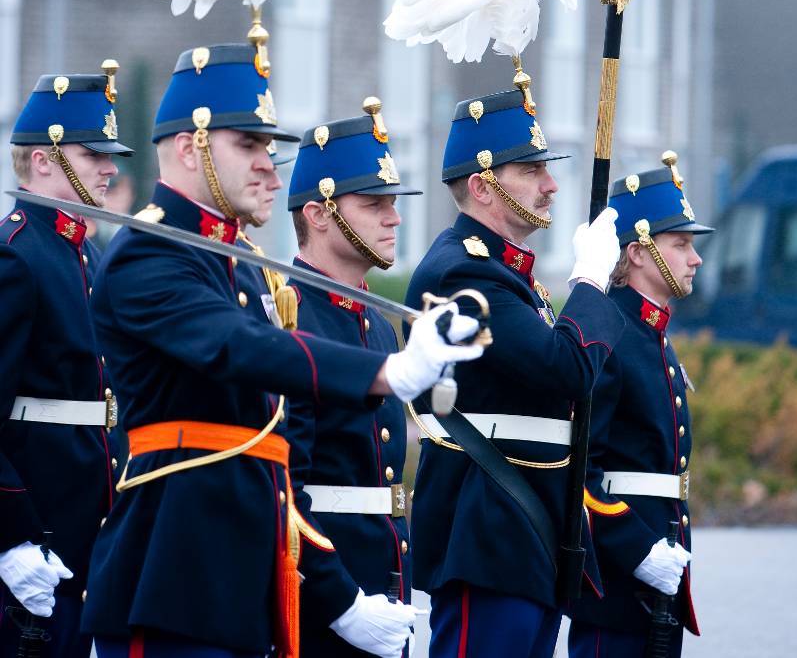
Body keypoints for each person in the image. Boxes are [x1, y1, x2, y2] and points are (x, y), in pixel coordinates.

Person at [80, 44, 483, 658]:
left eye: (268, 149)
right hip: (173, 580)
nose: (271, 167)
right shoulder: (149, 251)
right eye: (249, 146)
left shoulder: (237, 268)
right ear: (190, 148)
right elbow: (238, 347)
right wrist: (390, 371)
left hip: (242, 591)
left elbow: (275, 460)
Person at [405, 84, 626, 658]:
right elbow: (566, 370)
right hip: (490, 531)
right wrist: (591, 282)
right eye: (531, 171)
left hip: (527, 531)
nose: (551, 185)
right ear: (482, 186)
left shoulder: (513, 279)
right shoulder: (464, 275)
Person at [0, 64, 132, 658]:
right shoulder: (17, 255)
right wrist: (11, 539)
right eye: (94, 155)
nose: (110, 169)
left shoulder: (88, 255)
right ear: (46, 161)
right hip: (35, 535)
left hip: (89, 532)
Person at [285, 97, 420, 658]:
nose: (394, 218)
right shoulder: (288, 313)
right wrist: (340, 601)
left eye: (393, 203)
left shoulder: (379, 325)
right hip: (325, 596)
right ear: (320, 213)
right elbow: (286, 487)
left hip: (384, 581)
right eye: (374, 204)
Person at [566, 151, 712, 658]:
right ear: (637, 253)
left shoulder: (653, 334)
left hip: (660, 575)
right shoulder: (610, 331)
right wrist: (634, 548)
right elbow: (576, 467)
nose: (695, 258)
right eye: (681, 243)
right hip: (618, 577)